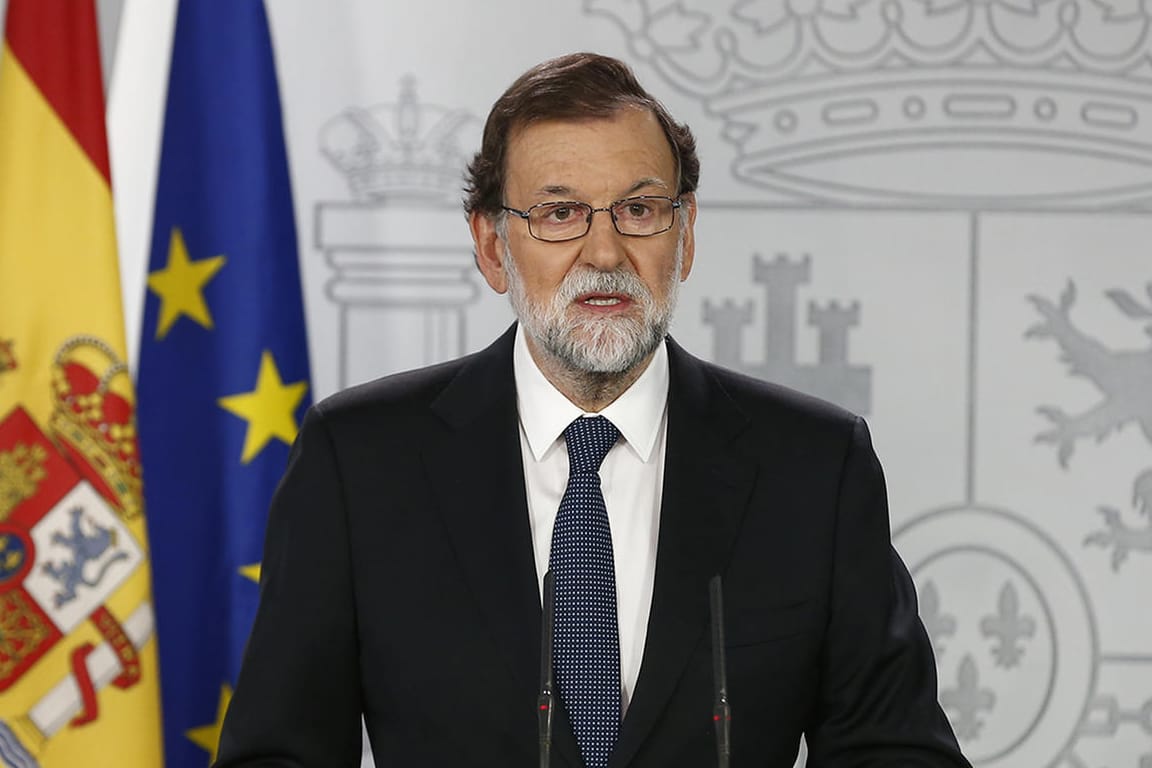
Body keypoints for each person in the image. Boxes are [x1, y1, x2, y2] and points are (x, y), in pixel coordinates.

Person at [214, 53, 969, 768]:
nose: (604, 252)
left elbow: (896, 751)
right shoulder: (360, 463)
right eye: (560, 213)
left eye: (639, 209)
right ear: (490, 244)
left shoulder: (813, 468)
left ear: (687, 234)